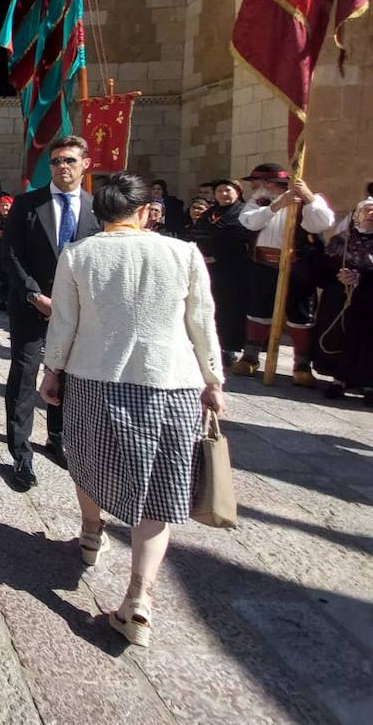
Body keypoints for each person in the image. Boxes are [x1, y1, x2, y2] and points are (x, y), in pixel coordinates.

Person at [39, 172, 226, 649]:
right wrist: (213, 379)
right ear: (146, 211)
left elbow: (64, 322)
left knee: (85, 457)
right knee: (161, 488)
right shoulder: (182, 253)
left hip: (95, 376)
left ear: (100, 214)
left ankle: (89, 532)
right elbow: (202, 319)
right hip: (171, 382)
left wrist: (52, 370)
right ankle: (138, 599)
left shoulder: (78, 254)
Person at [2, 134, 101, 491]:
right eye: (56, 161)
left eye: (69, 160)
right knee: (25, 374)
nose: (62, 167)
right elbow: (10, 255)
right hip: (32, 306)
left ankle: (57, 436)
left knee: (66, 375)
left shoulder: (96, 209)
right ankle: (20, 450)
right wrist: (34, 295)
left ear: (85, 164)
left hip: (77, 313)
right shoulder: (28, 204)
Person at [229, 163, 335, 385]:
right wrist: (277, 206)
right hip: (263, 265)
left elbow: (322, 223)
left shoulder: (310, 200)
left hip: (298, 267)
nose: (253, 186)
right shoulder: (257, 202)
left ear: (269, 183)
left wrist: (307, 197)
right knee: (258, 311)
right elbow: (249, 222)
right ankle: (250, 357)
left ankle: (302, 365)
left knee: (301, 316)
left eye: (256, 182)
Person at [313, 197, 373, 403]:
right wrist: (339, 276)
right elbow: (323, 269)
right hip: (339, 298)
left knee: (367, 340)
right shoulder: (340, 240)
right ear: (356, 215)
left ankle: (368, 383)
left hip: (369, 300)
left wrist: (362, 277)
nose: (370, 215)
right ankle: (339, 379)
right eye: (366, 211)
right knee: (340, 336)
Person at [190, 179, 250, 365]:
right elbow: (198, 232)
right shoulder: (210, 212)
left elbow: (242, 240)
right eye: (220, 191)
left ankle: (229, 348)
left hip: (232, 269)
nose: (223, 194)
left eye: (227, 190)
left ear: (237, 192)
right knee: (209, 307)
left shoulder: (243, 212)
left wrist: (219, 256)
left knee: (229, 309)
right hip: (208, 267)